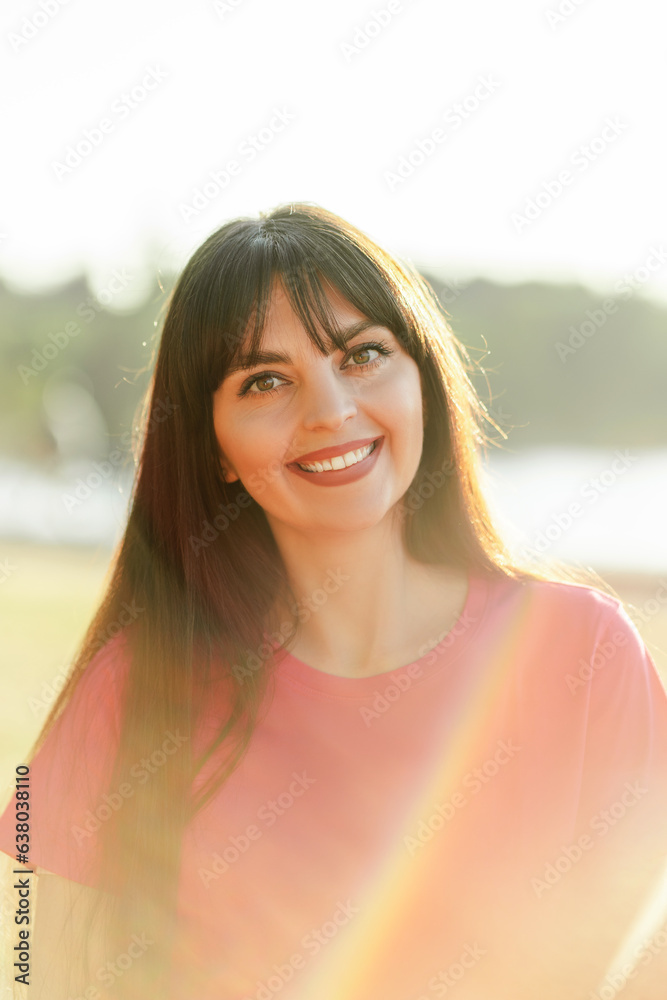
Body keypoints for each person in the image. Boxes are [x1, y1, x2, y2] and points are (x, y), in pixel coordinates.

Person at [1, 202, 666, 1000]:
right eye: (266, 380)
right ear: (211, 445)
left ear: (421, 379)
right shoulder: (136, 685)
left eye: (360, 356)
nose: (330, 412)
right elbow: (34, 968)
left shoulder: (581, 653)